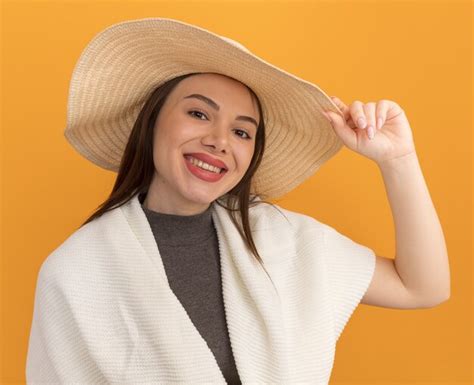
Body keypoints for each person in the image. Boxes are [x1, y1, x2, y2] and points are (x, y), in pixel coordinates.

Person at [25, 18, 450, 385]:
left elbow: (423, 286)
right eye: (198, 114)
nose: (219, 141)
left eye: (242, 132)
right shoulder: (76, 272)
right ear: (151, 122)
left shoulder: (282, 241)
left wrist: (399, 160)